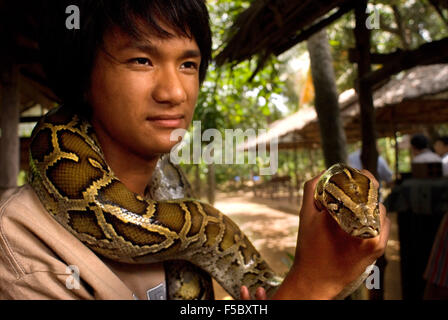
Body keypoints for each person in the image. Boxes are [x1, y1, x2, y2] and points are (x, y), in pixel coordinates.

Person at [0, 0, 389, 300]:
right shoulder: (20, 250)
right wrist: (308, 286)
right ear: (83, 76)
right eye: (141, 60)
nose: (174, 93)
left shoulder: (167, 198)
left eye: (188, 64)